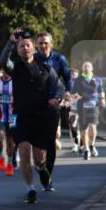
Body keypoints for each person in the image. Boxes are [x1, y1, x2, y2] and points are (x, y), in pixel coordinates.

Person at [0, 31, 63, 203]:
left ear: (33, 49)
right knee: (24, 151)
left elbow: (58, 87)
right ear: (18, 50)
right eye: (22, 46)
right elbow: (3, 62)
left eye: (28, 45)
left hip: (41, 118)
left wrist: (55, 99)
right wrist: (10, 43)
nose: (25, 48)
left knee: (39, 158)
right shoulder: (15, 69)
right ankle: (31, 189)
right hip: (22, 117)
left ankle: (42, 169)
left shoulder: (46, 69)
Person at [35, 32, 71, 184]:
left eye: (46, 43)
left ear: (51, 44)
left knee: (50, 140)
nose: (43, 46)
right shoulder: (33, 59)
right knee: (37, 140)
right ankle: (40, 164)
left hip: (54, 102)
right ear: (36, 45)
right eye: (40, 43)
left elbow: (68, 76)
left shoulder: (59, 58)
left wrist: (67, 92)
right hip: (36, 103)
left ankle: (48, 173)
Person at [71, 61, 105, 160]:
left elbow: (101, 90)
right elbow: (73, 93)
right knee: (84, 129)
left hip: (94, 105)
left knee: (93, 127)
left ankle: (92, 145)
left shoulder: (98, 79)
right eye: (84, 66)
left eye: (88, 66)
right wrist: (75, 97)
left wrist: (103, 99)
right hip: (82, 106)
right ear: (82, 68)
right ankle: (86, 149)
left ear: (92, 68)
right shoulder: (78, 80)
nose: (86, 67)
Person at [0, 70, 17, 175]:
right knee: (0, 137)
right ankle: (1, 157)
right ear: (1, 71)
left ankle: (10, 163)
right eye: (4, 71)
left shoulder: (16, 82)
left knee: (11, 142)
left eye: (9, 71)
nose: (6, 73)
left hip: (13, 117)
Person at [68, 67, 81, 152]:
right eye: (72, 75)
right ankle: (75, 145)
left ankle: (82, 144)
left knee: (81, 127)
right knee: (73, 126)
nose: (74, 77)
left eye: (75, 75)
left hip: (82, 107)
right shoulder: (67, 84)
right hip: (72, 107)